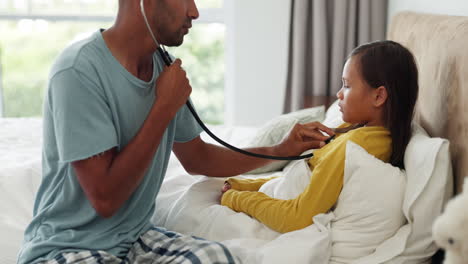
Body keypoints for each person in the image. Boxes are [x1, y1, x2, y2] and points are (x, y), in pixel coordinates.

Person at [17, 0, 334, 263]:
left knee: (218, 258)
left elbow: (198, 158)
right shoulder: (77, 71)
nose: (195, 12)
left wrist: (280, 150)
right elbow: (104, 199)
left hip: (133, 240)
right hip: (68, 247)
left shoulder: (163, 69)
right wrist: (163, 107)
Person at [220, 40, 419, 233]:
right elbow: (309, 178)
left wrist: (235, 199)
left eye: (347, 85)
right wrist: (247, 185)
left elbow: (295, 217)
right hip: (275, 190)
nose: (339, 94)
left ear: (378, 96)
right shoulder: (366, 133)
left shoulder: (354, 147)